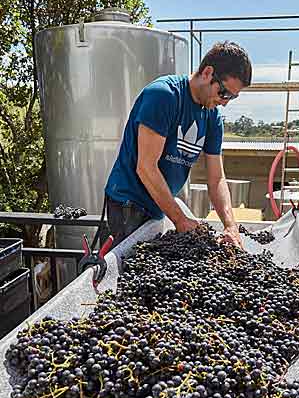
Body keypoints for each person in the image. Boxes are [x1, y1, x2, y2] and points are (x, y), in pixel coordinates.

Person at [105, 41, 252, 247]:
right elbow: (146, 167)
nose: (225, 102)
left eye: (233, 98)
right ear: (208, 73)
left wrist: (230, 226)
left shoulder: (212, 117)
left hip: (159, 206)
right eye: (225, 93)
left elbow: (216, 178)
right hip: (129, 206)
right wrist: (180, 219)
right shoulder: (164, 96)